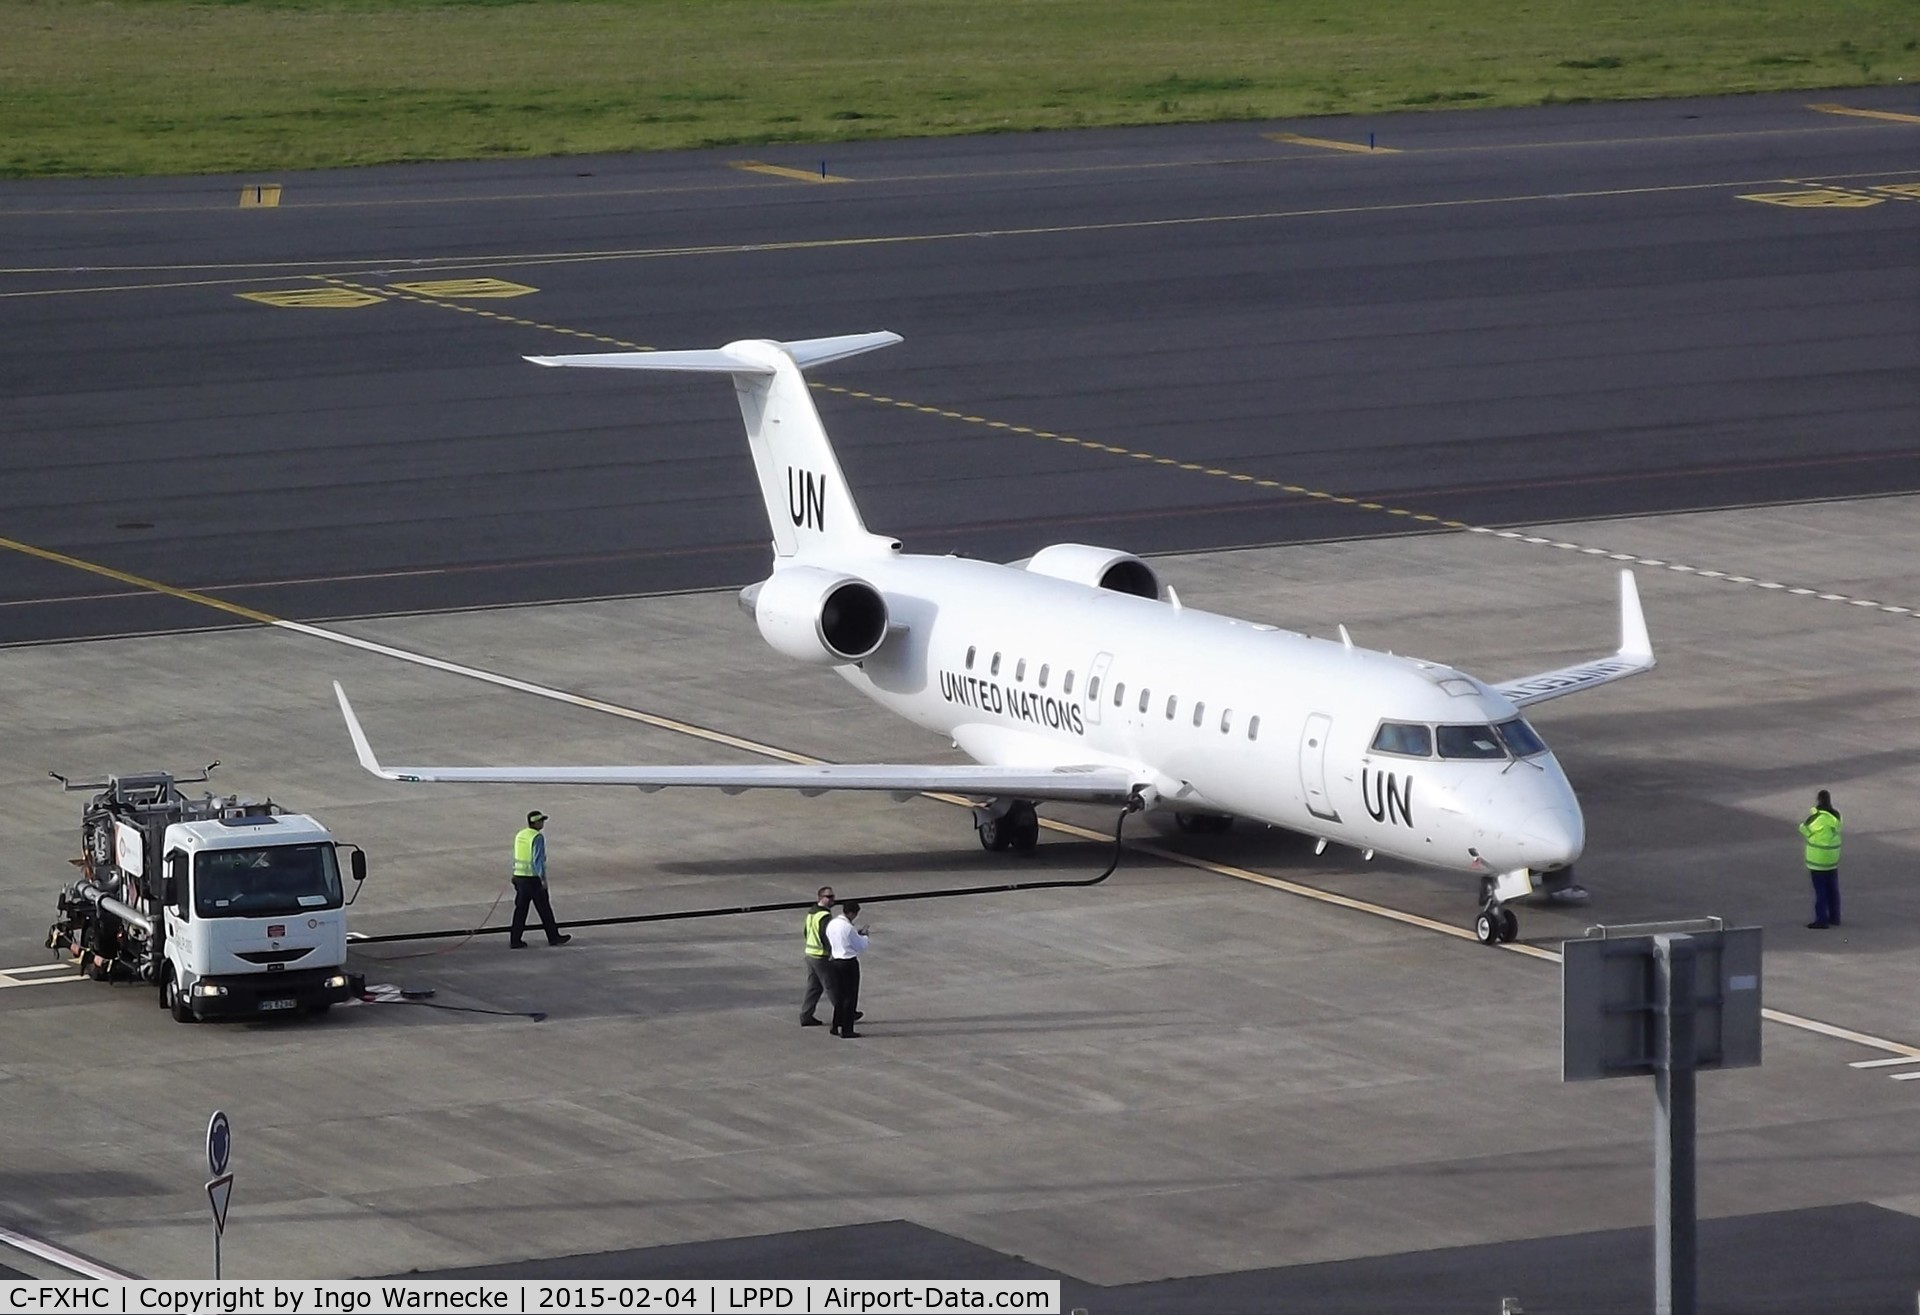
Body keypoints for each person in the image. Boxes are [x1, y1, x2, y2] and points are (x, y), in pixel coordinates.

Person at [510, 809, 573, 948]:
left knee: (520, 910)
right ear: (536, 822)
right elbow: (537, 859)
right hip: (532, 879)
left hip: (519, 877)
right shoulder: (537, 837)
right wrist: (543, 879)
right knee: (544, 909)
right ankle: (553, 937)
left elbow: (516, 854)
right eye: (541, 821)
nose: (543, 823)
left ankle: (515, 939)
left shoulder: (521, 834)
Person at [1799, 790, 1843, 930]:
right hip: (1832, 858)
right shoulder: (1836, 816)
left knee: (1820, 891)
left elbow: (1803, 828)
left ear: (1818, 800)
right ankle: (1835, 917)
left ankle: (1821, 920)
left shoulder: (1816, 818)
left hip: (1817, 861)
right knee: (1833, 889)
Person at [826, 900, 869, 1038]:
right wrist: (865, 936)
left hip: (835, 961)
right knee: (850, 997)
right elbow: (860, 946)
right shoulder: (848, 927)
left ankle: (835, 1024)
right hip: (848, 962)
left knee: (839, 995)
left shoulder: (832, 924)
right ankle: (847, 1029)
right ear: (851, 913)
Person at [800, 885, 836, 1026]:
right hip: (820, 956)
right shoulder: (824, 916)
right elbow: (826, 935)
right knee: (832, 985)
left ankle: (806, 1015)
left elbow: (806, 931)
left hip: (810, 954)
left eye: (833, 896)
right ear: (821, 898)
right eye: (829, 897)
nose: (833, 899)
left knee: (814, 987)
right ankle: (845, 1013)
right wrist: (831, 951)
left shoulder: (812, 913)